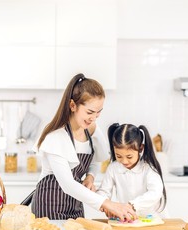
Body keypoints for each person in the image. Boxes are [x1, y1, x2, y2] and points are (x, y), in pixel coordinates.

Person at [29, 73, 137, 221]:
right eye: (90, 112)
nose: (93, 118)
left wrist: (90, 177)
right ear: (73, 105)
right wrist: (107, 204)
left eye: (99, 112)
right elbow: (67, 184)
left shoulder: (91, 129)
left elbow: (95, 159)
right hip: (49, 204)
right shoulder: (56, 136)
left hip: (75, 203)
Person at [97, 123, 167, 218]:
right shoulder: (113, 168)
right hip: (128, 219)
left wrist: (132, 205)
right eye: (119, 156)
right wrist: (106, 204)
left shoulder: (148, 168)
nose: (124, 161)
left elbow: (155, 193)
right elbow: (104, 191)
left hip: (152, 219)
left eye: (129, 156)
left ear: (140, 148)